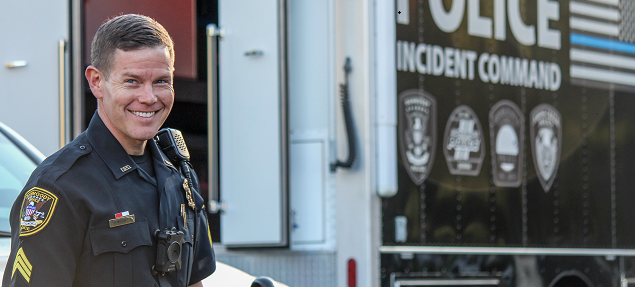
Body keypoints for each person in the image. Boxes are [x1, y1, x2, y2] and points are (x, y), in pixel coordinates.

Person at [2, 14, 215, 286]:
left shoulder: (179, 175)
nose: (149, 98)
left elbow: (192, 281)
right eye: (132, 82)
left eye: (161, 81)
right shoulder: (60, 188)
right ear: (96, 82)